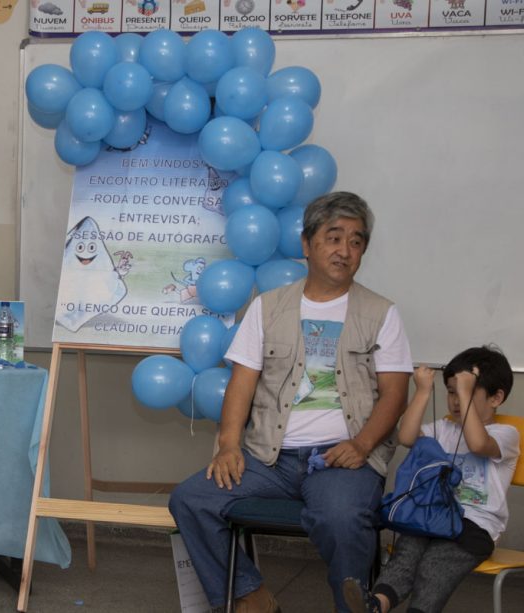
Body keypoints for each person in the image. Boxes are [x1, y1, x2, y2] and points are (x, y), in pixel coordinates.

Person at [169, 192, 413, 613]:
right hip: (269, 459)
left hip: (342, 458)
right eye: (334, 237)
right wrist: (229, 445)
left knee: (341, 519)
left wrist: (361, 446)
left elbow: (395, 394)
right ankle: (252, 598)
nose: (345, 250)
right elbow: (241, 385)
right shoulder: (268, 308)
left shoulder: (381, 313)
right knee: (192, 499)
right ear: (307, 244)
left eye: (356, 242)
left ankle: (352, 606)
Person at [343, 346, 519, 613]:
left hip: (475, 526)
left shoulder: (506, 434)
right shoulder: (444, 429)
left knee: (434, 564)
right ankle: (376, 603)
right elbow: (407, 437)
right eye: (451, 392)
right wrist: (424, 391)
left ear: (496, 398)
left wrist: (463, 390)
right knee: (407, 550)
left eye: (465, 393)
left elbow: (477, 443)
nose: (456, 401)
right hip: (432, 517)